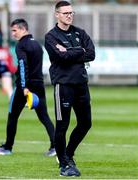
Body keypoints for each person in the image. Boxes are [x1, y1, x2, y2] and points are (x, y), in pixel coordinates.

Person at [45, 1, 95, 177]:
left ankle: (68, 154)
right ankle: (64, 166)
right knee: (62, 125)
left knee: (86, 123)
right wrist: (78, 51)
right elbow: (60, 57)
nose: (69, 15)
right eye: (65, 13)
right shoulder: (51, 36)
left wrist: (70, 51)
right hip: (63, 85)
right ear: (57, 14)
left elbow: (91, 53)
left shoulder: (80, 33)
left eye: (71, 13)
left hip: (81, 84)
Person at [0, 18, 56, 157]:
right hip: (39, 84)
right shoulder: (37, 45)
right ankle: (55, 146)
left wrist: (24, 86)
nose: (13, 34)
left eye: (15, 30)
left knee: (12, 116)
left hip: (24, 86)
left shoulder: (21, 45)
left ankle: (8, 147)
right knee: (44, 117)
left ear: (23, 29)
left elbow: (22, 66)